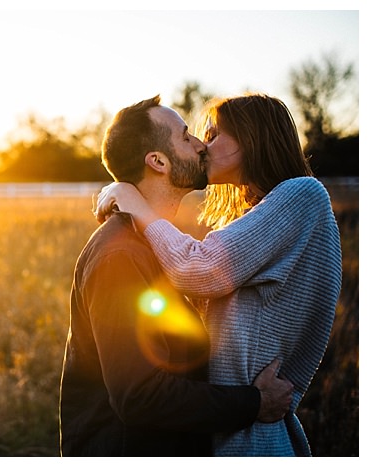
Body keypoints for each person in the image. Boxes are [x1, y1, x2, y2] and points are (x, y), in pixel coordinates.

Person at [94, 93, 342, 456]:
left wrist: (134, 202)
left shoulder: (302, 195)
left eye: (212, 134)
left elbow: (199, 269)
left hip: (254, 435)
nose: (202, 146)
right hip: (232, 421)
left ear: (250, 138)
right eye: (195, 136)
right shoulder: (261, 215)